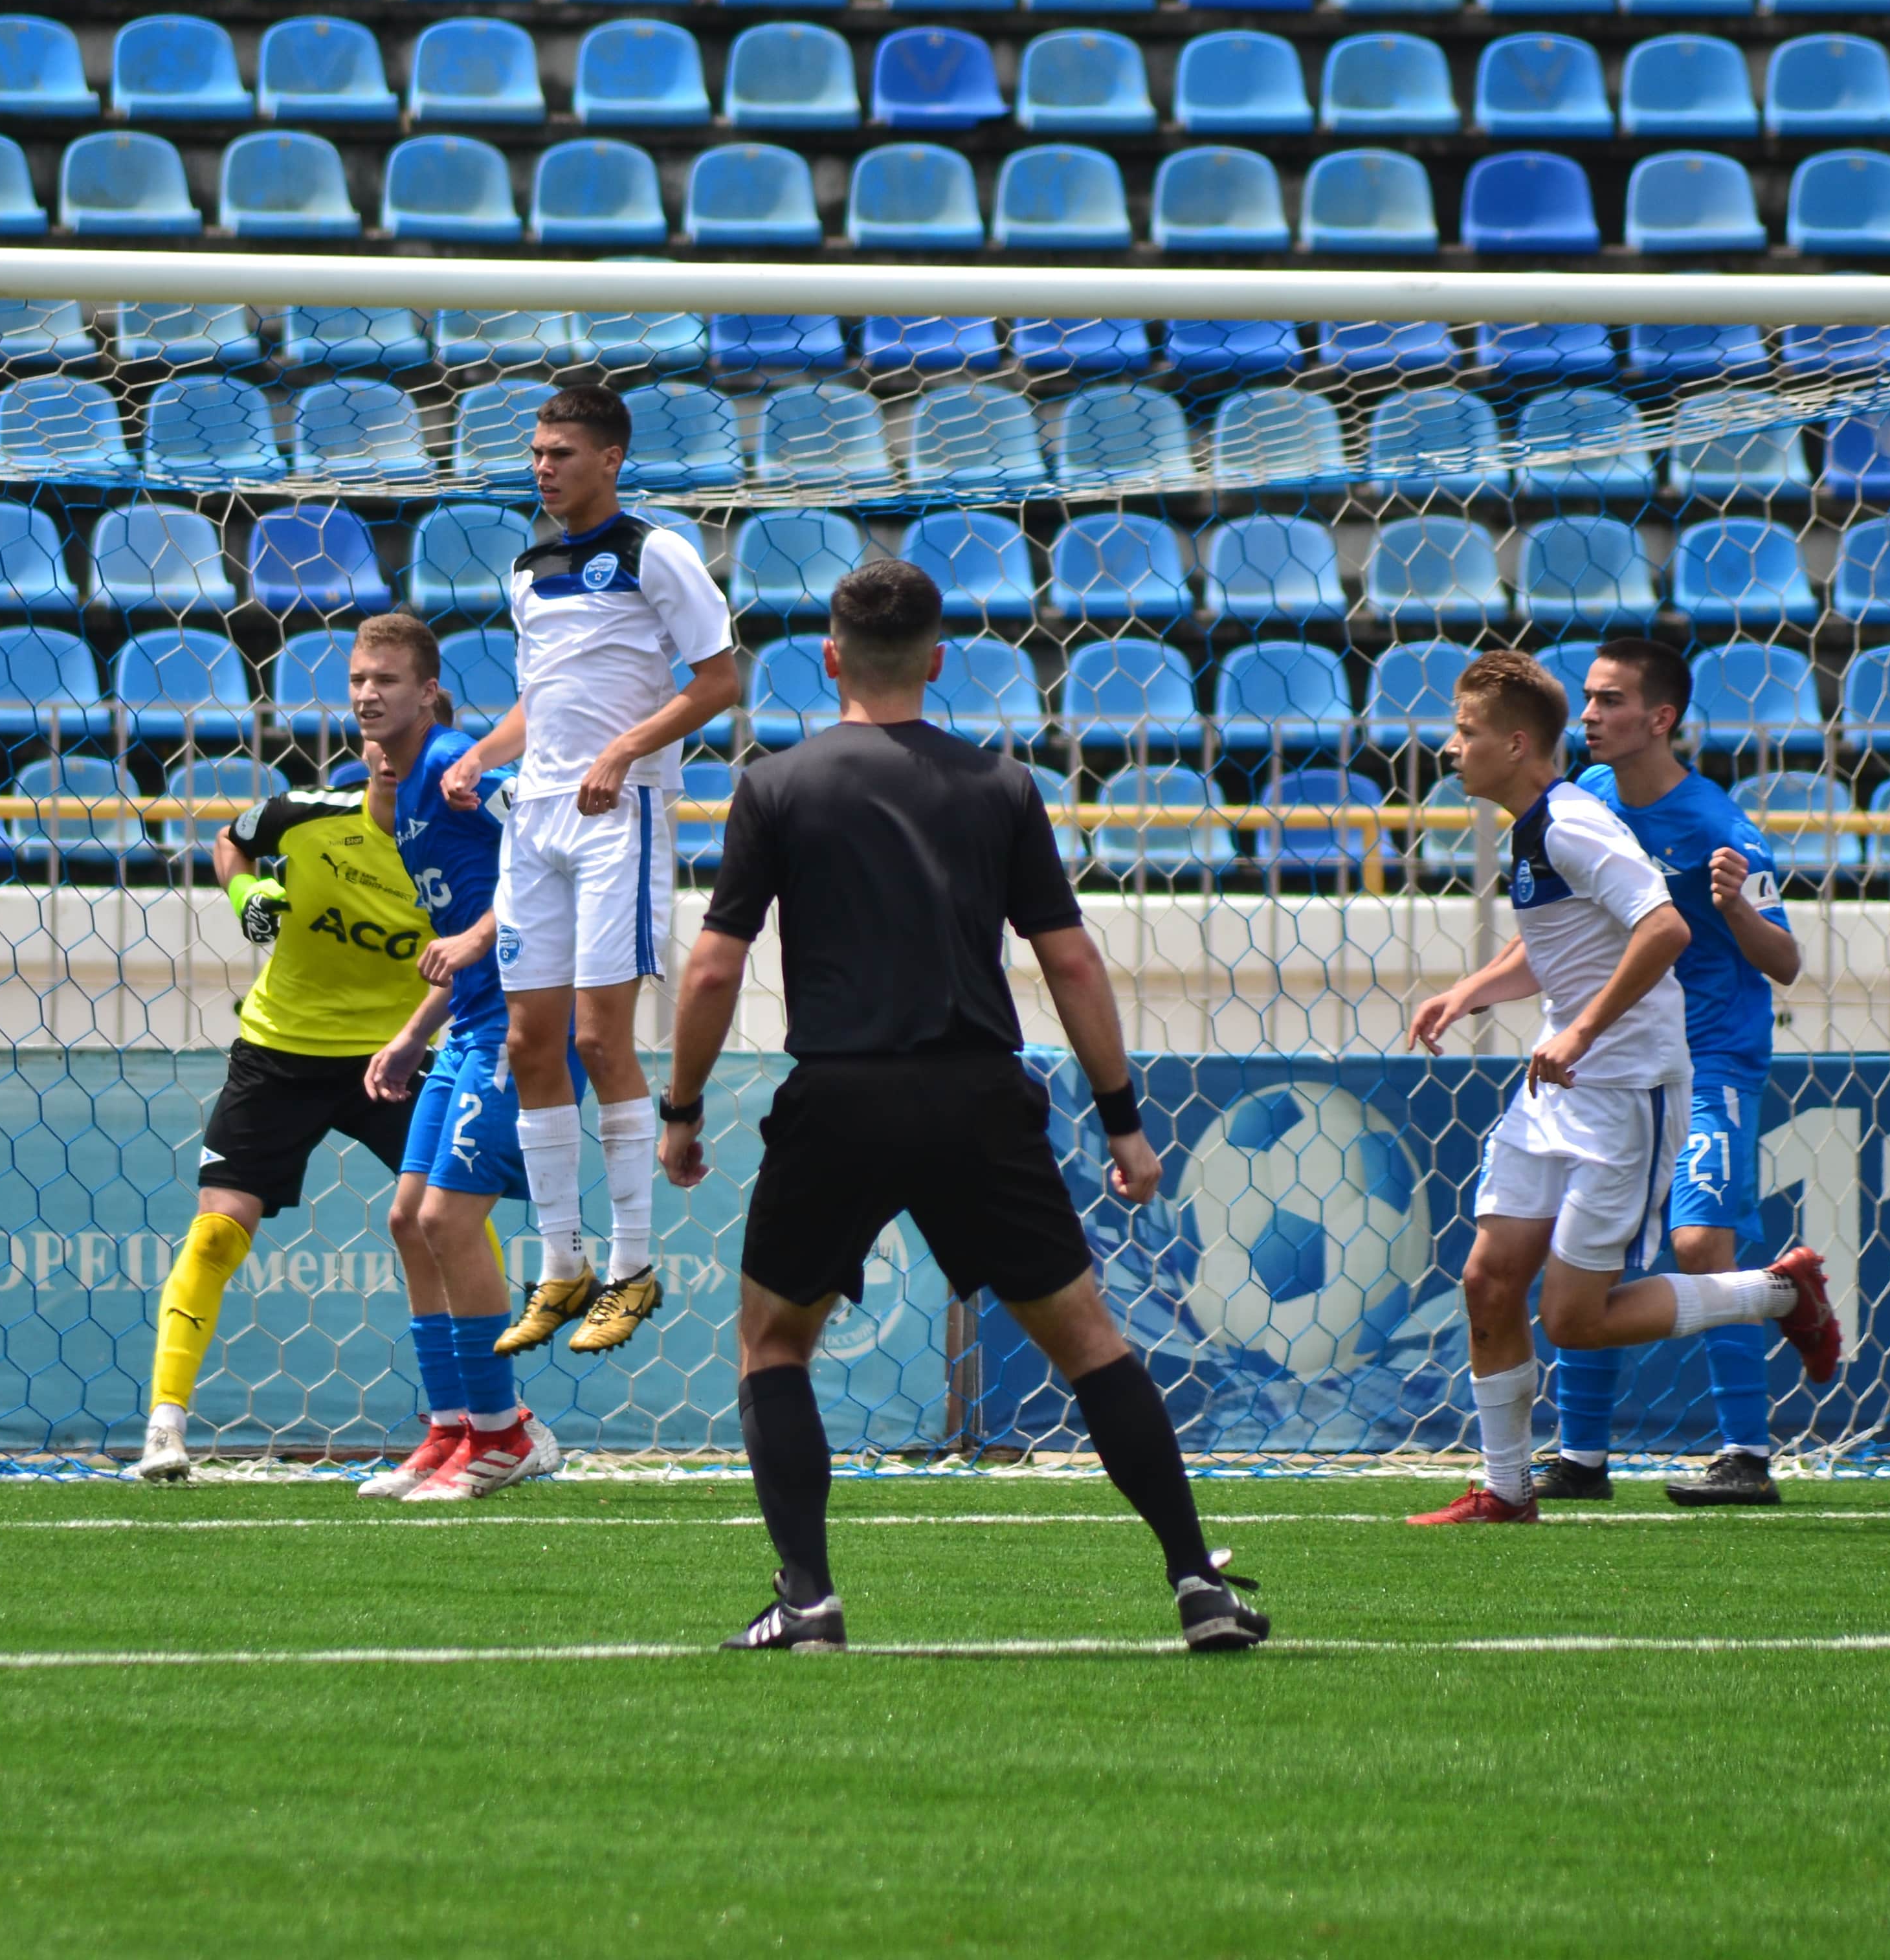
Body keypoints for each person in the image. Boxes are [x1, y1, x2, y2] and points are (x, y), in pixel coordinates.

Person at [659, 561, 1269, 1654]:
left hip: (839, 1096)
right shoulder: (1000, 783)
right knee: (1088, 1341)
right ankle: (1195, 1581)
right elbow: (1071, 961)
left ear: (830, 658)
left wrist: (681, 1105)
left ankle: (806, 1598)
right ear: (937, 661)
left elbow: (710, 970)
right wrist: (1122, 1117)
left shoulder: (776, 783)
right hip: (978, 1095)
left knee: (772, 1343)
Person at [1405, 651, 1843, 1526]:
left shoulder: (1661, 823)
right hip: (1560, 1079)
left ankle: (1770, 1346)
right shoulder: (1574, 808)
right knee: (1489, 1281)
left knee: (1610, 1294)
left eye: (1465, 730)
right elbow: (1565, 942)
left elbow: (1675, 930)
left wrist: (1584, 1026)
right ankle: (1513, 1484)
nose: (1448, 746)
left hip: (1647, 1074)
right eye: (1590, 699)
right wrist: (1472, 990)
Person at [439, 385, 740, 1358]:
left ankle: (632, 1268)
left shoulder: (659, 554)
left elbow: (722, 681)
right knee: (532, 1043)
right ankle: (562, 1264)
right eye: (536, 452)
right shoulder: (527, 571)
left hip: (620, 816)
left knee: (601, 1039)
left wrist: (622, 754)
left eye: (562, 452)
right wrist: (483, 755)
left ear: (610, 458)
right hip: (538, 819)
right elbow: (542, 699)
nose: (544, 467)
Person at [1534, 639, 1806, 1508]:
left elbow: (1787, 960)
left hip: (1713, 1058)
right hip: (1628, 1064)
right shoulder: (1586, 802)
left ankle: (1748, 1454)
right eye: (1586, 699)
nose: (1589, 717)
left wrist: (1733, 907)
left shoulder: (1723, 832)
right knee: (1588, 1245)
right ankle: (1581, 1458)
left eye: (1609, 702)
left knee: (1700, 1244)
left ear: (1661, 719)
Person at [138, 731, 440, 1483]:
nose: (391, 752)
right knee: (215, 1232)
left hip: (393, 1059)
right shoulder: (298, 815)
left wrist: (412, 1040)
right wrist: (248, 893)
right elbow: (227, 843)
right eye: (378, 737)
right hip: (279, 1052)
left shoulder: (462, 847)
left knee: (445, 1225)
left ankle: (474, 1425)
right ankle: (164, 1428)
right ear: (365, 751)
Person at [350, 614, 568, 1503]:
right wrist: (411, 1031)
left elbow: (554, 850)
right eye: (359, 679)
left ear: (429, 692)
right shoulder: (399, 788)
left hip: (523, 1024)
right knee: (408, 1221)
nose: (368, 694)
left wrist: (479, 934)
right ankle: (449, 1432)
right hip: (469, 1023)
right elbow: (461, 932)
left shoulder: (450, 768)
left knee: (446, 1221)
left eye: (388, 681)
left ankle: (506, 1433)